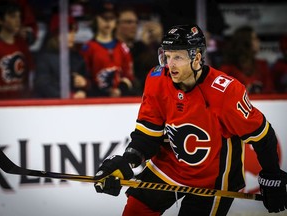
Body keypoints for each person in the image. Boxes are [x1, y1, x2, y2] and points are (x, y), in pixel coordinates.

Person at [93, 24, 287, 215]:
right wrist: (128, 162)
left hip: (212, 180)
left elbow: (262, 135)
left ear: (197, 58)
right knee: (135, 210)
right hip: (169, 167)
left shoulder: (226, 92)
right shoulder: (157, 80)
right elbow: (147, 135)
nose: (170, 64)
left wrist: (272, 175)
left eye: (178, 56)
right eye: (167, 56)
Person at [80, 1, 134, 97]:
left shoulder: (122, 47)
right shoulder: (88, 48)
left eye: (112, 18)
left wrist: (120, 90)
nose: (108, 22)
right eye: (104, 18)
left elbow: (129, 76)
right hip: (95, 98)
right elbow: (84, 76)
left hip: (120, 98)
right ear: (96, 19)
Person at [33, 13, 90, 99]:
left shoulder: (77, 57)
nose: (73, 35)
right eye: (69, 31)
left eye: (74, 31)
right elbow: (43, 85)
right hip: (50, 108)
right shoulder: (44, 58)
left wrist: (85, 84)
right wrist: (69, 96)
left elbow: (88, 82)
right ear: (57, 33)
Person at [116, 6, 164, 96]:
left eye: (136, 22)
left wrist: (152, 44)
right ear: (116, 24)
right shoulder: (112, 48)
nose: (134, 26)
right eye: (128, 22)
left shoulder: (140, 47)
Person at [219, 26, 274, 94]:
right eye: (254, 38)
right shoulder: (227, 69)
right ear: (245, 42)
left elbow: (270, 91)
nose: (258, 41)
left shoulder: (262, 65)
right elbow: (221, 93)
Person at [0, 0, 34, 99]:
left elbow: (29, 73)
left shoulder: (22, 44)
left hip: (21, 102)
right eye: (13, 16)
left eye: (19, 16)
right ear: (0, 20)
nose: (18, 21)